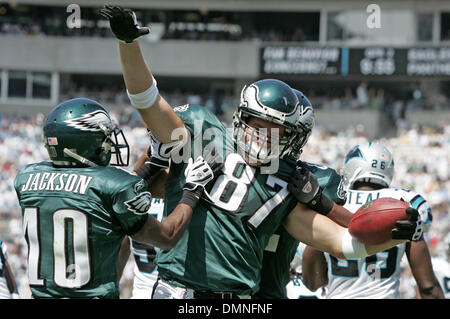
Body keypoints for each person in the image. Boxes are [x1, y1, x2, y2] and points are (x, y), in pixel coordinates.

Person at [100, 5, 424, 299]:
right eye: (257, 124)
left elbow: (344, 244)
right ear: (240, 120)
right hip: (178, 291)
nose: (262, 137)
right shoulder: (204, 135)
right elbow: (147, 100)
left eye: (276, 131)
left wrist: (395, 235)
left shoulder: (288, 182)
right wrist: (128, 44)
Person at [13, 98, 220, 298]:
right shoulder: (112, 186)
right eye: (104, 137)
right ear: (84, 142)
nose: (109, 144)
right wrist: (192, 190)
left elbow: (96, 193)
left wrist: (153, 164)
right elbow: (167, 237)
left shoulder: (26, 178)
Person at [301, 142, 445, 299]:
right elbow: (429, 288)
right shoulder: (404, 205)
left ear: (352, 166)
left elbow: (313, 282)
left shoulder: (332, 203)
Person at [253, 89, 351, 299]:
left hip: (268, 293)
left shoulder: (313, 178)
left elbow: (350, 229)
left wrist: (320, 201)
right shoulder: (227, 162)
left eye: (280, 130)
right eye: (261, 127)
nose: (267, 136)